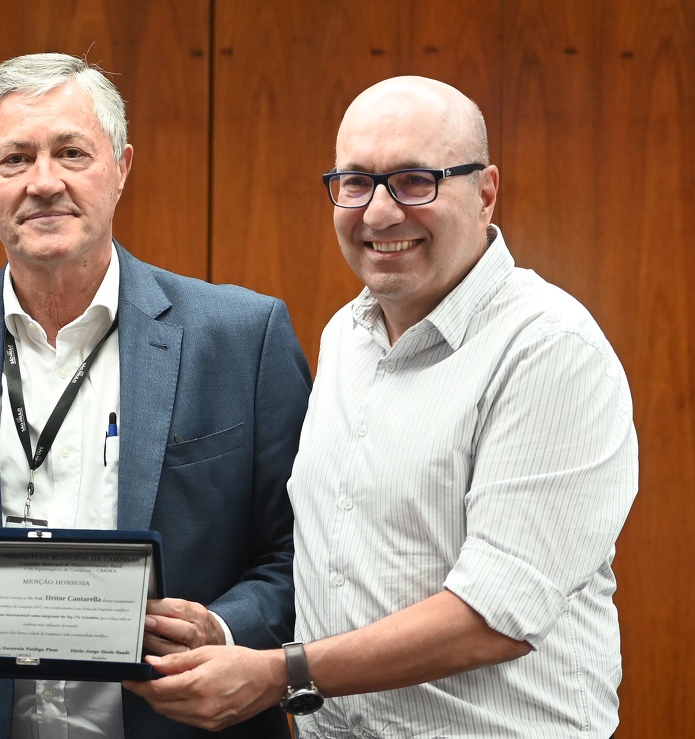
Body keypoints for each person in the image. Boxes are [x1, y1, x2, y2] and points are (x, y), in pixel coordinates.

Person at [126, 76, 638, 738]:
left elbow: (496, 616)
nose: (380, 212)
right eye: (357, 182)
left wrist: (278, 672)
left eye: (415, 180)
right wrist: (220, 629)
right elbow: (328, 558)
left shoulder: (548, 349)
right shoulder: (347, 336)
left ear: (485, 192)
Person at [0, 52, 312, 738]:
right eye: (14, 159)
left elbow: (301, 550)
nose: (44, 182)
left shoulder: (243, 339)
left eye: (71, 152)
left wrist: (223, 626)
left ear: (121, 167)